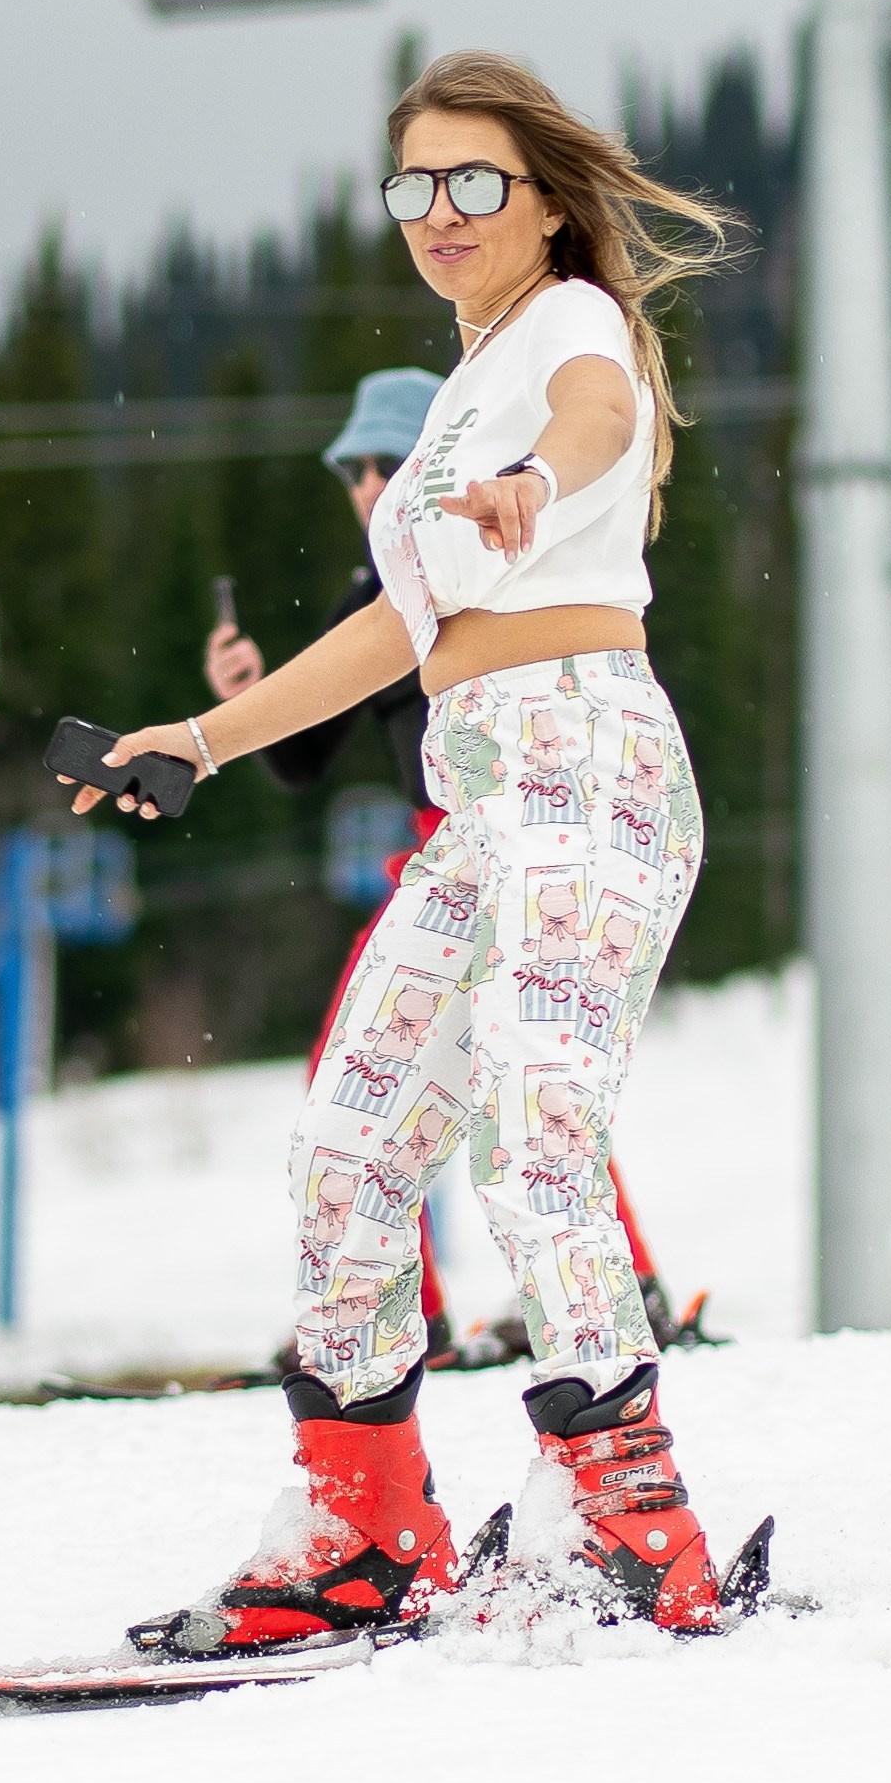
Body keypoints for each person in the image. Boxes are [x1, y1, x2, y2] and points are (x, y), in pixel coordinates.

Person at [58, 48, 745, 1647]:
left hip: (586, 760)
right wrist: (200, 738)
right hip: (480, 789)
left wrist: (533, 480)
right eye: (412, 186)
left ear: (545, 199)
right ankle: (361, 1525)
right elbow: (395, 624)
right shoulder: (452, 400)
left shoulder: (569, 332)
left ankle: (633, 1525)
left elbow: (588, 421)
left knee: (531, 1125)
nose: (436, 214)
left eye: (472, 183)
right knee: (350, 1147)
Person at [206, 363, 713, 1363]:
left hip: (521, 833)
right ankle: (447, 1306)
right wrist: (249, 691)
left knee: (505, 1073)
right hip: (439, 851)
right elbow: (303, 756)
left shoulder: (487, 558)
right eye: (351, 466)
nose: (365, 484)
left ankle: (454, 1313)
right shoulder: (380, 587)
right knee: (460, 1076)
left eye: (388, 461)